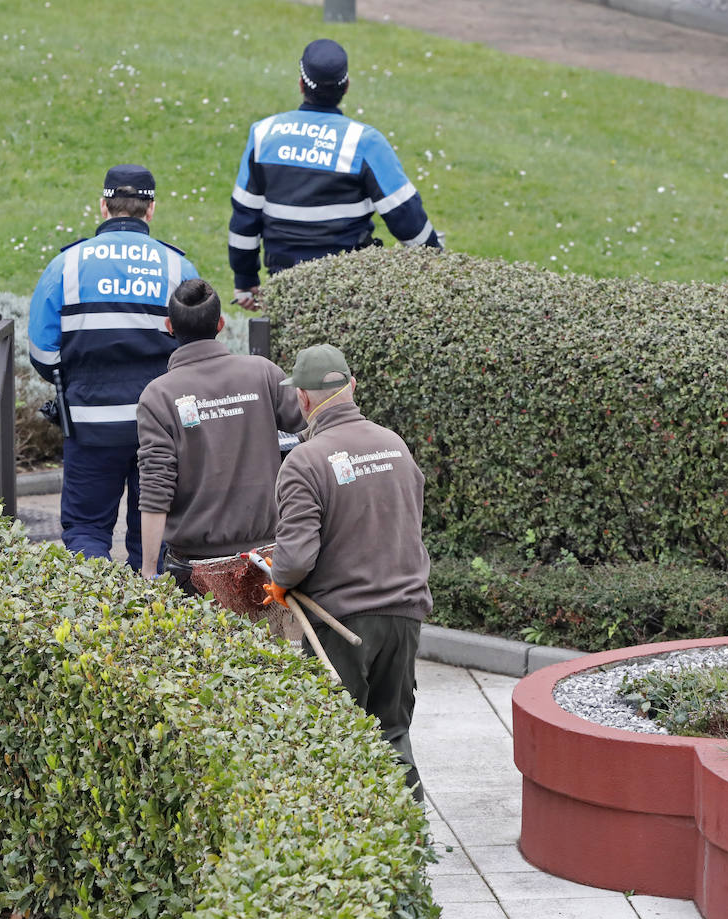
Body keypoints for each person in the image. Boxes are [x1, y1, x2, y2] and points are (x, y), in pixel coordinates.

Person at [263, 344, 433, 800]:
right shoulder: (394, 444)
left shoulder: (305, 460)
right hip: (404, 615)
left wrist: (278, 585)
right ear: (352, 387)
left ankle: (353, 856)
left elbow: (296, 558)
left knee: (337, 742)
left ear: (301, 400)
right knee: (393, 733)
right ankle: (410, 843)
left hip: (343, 622)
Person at [29, 164, 199, 571]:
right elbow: (196, 348)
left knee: (86, 530)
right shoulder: (178, 268)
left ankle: (95, 624)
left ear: (103, 206)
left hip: (89, 426)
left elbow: (41, 352)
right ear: (150, 210)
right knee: (156, 537)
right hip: (161, 429)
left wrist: (74, 382)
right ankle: (155, 623)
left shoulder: (66, 266)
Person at [227, 38, 443, 309]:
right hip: (348, 289)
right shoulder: (364, 141)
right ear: (347, 86)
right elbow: (405, 216)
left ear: (301, 84)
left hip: (283, 283)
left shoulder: (264, 134)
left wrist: (245, 280)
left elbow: (245, 217)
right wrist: (437, 263)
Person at [135, 279, 305, 592]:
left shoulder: (158, 396)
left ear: (170, 326)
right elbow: (311, 421)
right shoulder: (263, 373)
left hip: (195, 569)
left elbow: (156, 488)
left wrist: (148, 571)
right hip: (268, 561)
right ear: (221, 324)